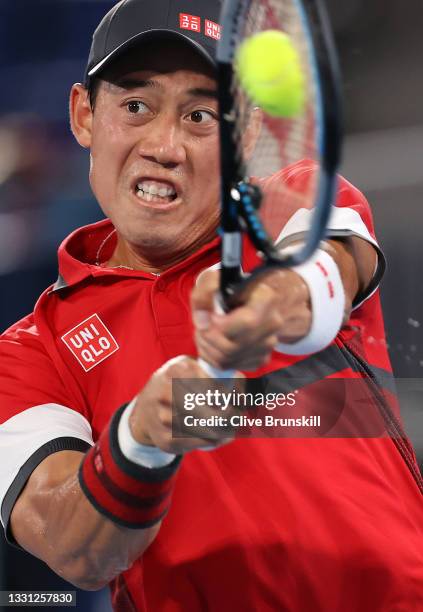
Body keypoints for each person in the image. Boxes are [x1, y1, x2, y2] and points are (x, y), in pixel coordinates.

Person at [0, 1, 421, 611]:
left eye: (201, 115)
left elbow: (325, 267)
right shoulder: (26, 355)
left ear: (245, 136)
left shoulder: (289, 201)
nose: (164, 146)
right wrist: (139, 441)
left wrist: (267, 308)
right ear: (85, 116)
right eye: (137, 107)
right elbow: (74, 548)